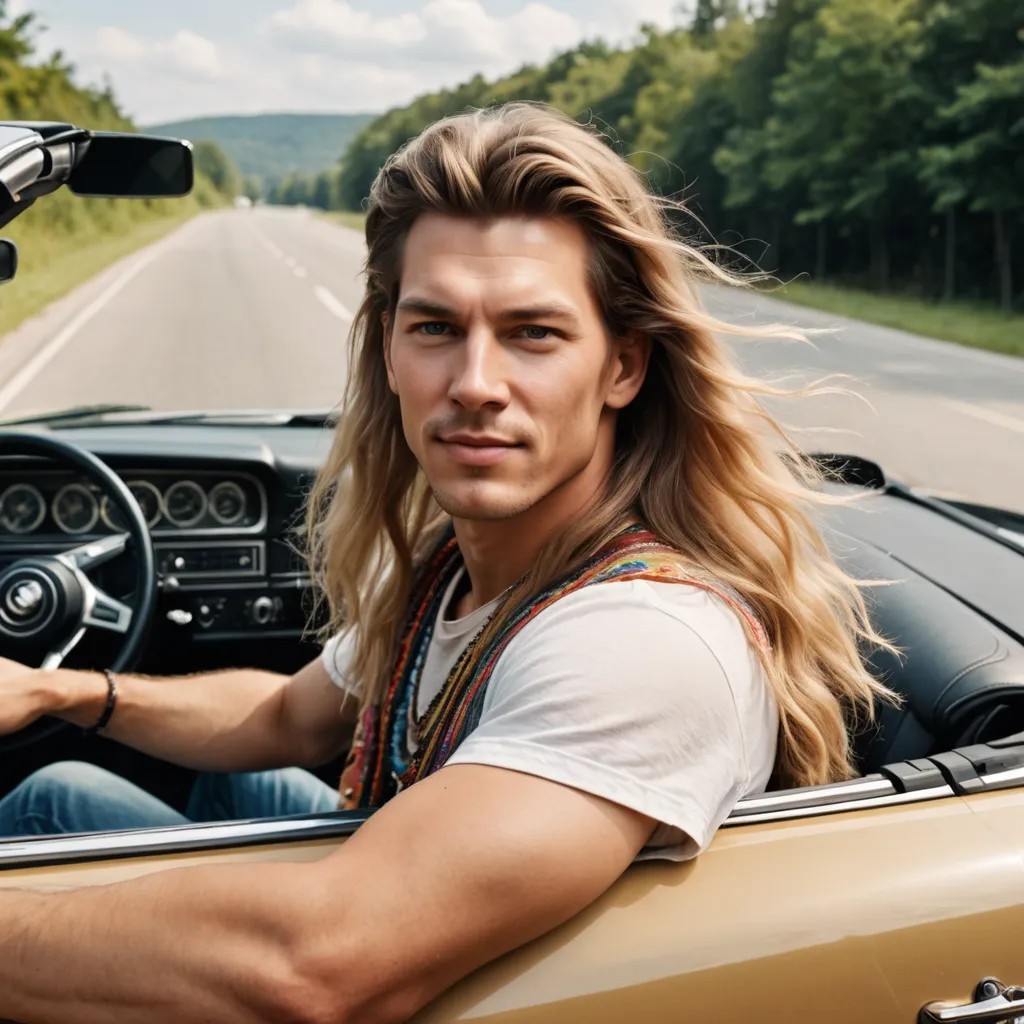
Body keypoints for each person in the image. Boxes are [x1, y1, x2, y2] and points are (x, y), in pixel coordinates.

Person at [0, 102, 896, 1022]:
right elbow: (286, 715)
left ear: (623, 367)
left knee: (43, 822)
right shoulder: (451, 568)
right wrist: (60, 693)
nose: (474, 383)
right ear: (387, 348)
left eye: (532, 334)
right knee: (63, 787)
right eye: (435, 328)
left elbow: (309, 972)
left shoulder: (644, 638)